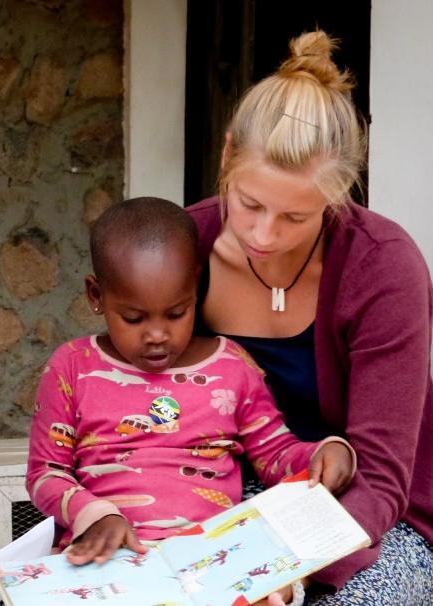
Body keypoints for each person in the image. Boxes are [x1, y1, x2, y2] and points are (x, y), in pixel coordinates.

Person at [187, 30, 433, 605]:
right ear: (226, 156)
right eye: (248, 204)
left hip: (373, 518)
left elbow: (380, 478)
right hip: (222, 499)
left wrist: (286, 572)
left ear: (338, 195)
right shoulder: (182, 245)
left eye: (295, 217)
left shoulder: (383, 267)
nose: (262, 234)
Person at [27, 197, 355, 602]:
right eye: (134, 318)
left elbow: (274, 452)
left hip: (212, 565)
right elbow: (46, 473)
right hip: (104, 567)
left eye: (176, 313)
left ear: (195, 289)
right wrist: (93, 514)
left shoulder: (232, 367)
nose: (157, 335)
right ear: (96, 295)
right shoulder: (72, 367)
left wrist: (325, 454)